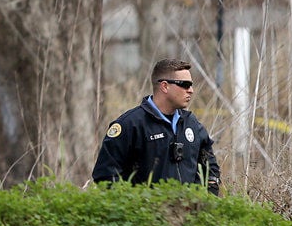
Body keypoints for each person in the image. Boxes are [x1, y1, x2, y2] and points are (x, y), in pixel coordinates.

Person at [92, 58, 220, 194]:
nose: (191, 90)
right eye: (185, 84)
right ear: (164, 86)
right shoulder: (130, 125)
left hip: (187, 214)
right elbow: (105, 176)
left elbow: (210, 166)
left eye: (191, 85)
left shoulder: (191, 124)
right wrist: (135, 207)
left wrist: (207, 199)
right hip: (146, 213)